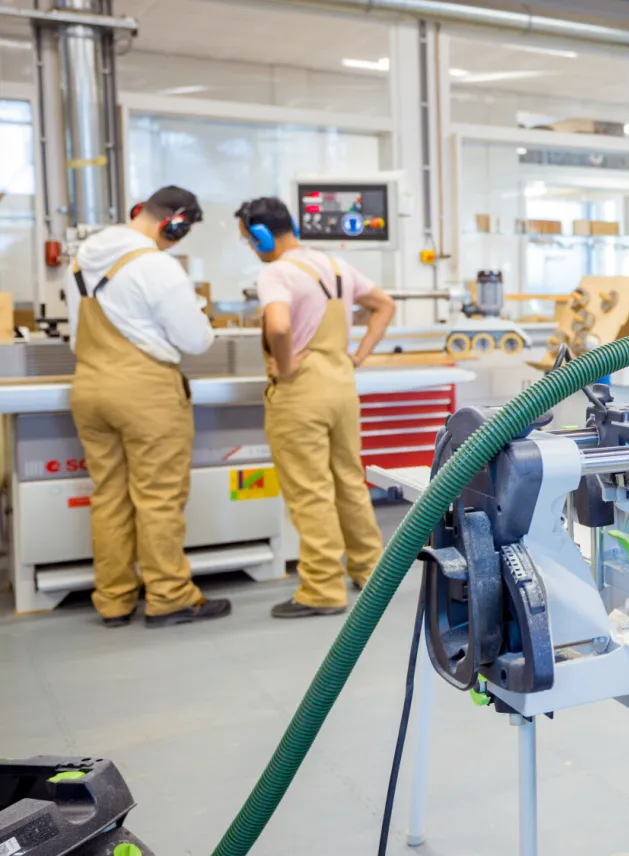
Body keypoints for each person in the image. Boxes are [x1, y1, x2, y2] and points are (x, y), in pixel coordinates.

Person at [66, 185, 230, 628]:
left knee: (109, 497)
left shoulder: (83, 256)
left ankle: (114, 599)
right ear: (173, 223)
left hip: (89, 385)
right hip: (144, 392)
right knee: (158, 497)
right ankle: (169, 596)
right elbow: (194, 340)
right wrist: (201, 317)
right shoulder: (157, 265)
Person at [236, 196, 396, 618]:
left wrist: (285, 367)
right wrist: (359, 355)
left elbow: (279, 325)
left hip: (301, 393)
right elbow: (385, 305)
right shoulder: (336, 266)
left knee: (310, 491)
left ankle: (322, 588)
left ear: (261, 235)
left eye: (248, 240)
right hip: (342, 386)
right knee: (348, 479)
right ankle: (370, 570)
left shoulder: (276, 272)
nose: (251, 247)